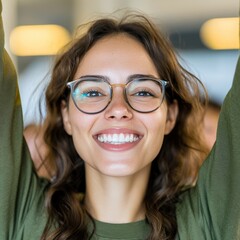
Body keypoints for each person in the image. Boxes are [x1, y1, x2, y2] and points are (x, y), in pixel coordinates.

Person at [0, 1, 240, 239]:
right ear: (67, 116)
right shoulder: (24, 216)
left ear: (170, 116)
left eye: (143, 91)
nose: (118, 109)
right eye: (93, 92)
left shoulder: (207, 220)